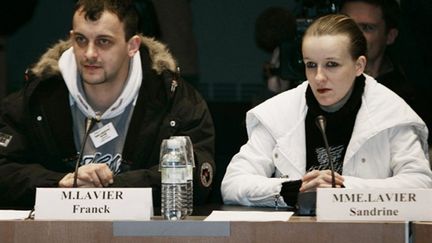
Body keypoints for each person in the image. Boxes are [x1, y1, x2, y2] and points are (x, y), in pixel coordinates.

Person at [0, 0, 215, 209]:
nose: (90, 54)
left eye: (104, 41)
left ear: (132, 46)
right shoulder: (39, 96)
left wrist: (109, 189)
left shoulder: (174, 99)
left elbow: (197, 177)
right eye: (81, 40)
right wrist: (61, 182)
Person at [221, 14, 432, 208]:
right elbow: (233, 184)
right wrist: (293, 190)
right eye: (311, 65)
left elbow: (421, 185)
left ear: (359, 65)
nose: (319, 77)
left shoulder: (391, 112)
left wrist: (343, 189)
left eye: (331, 64)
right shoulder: (279, 111)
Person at [340, 0, 432, 145]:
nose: (353, 35)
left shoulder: (407, 99)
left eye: (366, 27)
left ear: (390, 36)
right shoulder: (317, 84)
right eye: (346, 25)